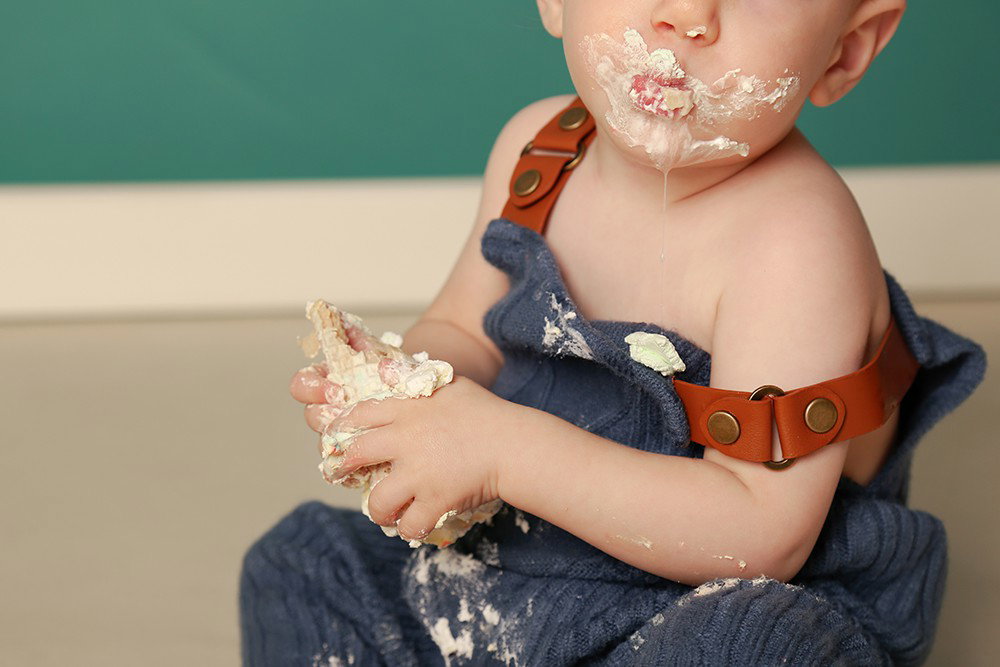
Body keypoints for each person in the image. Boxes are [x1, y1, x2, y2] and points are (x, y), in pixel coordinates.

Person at [240, 0, 988, 664]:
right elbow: (464, 328)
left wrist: (504, 451)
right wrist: (409, 388)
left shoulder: (796, 242)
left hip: (690, 600)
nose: (688, 14)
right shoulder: (537, 152)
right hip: (508, 562)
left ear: (847, 49)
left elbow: (762, 532)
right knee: (299, 563)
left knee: (751, 644)